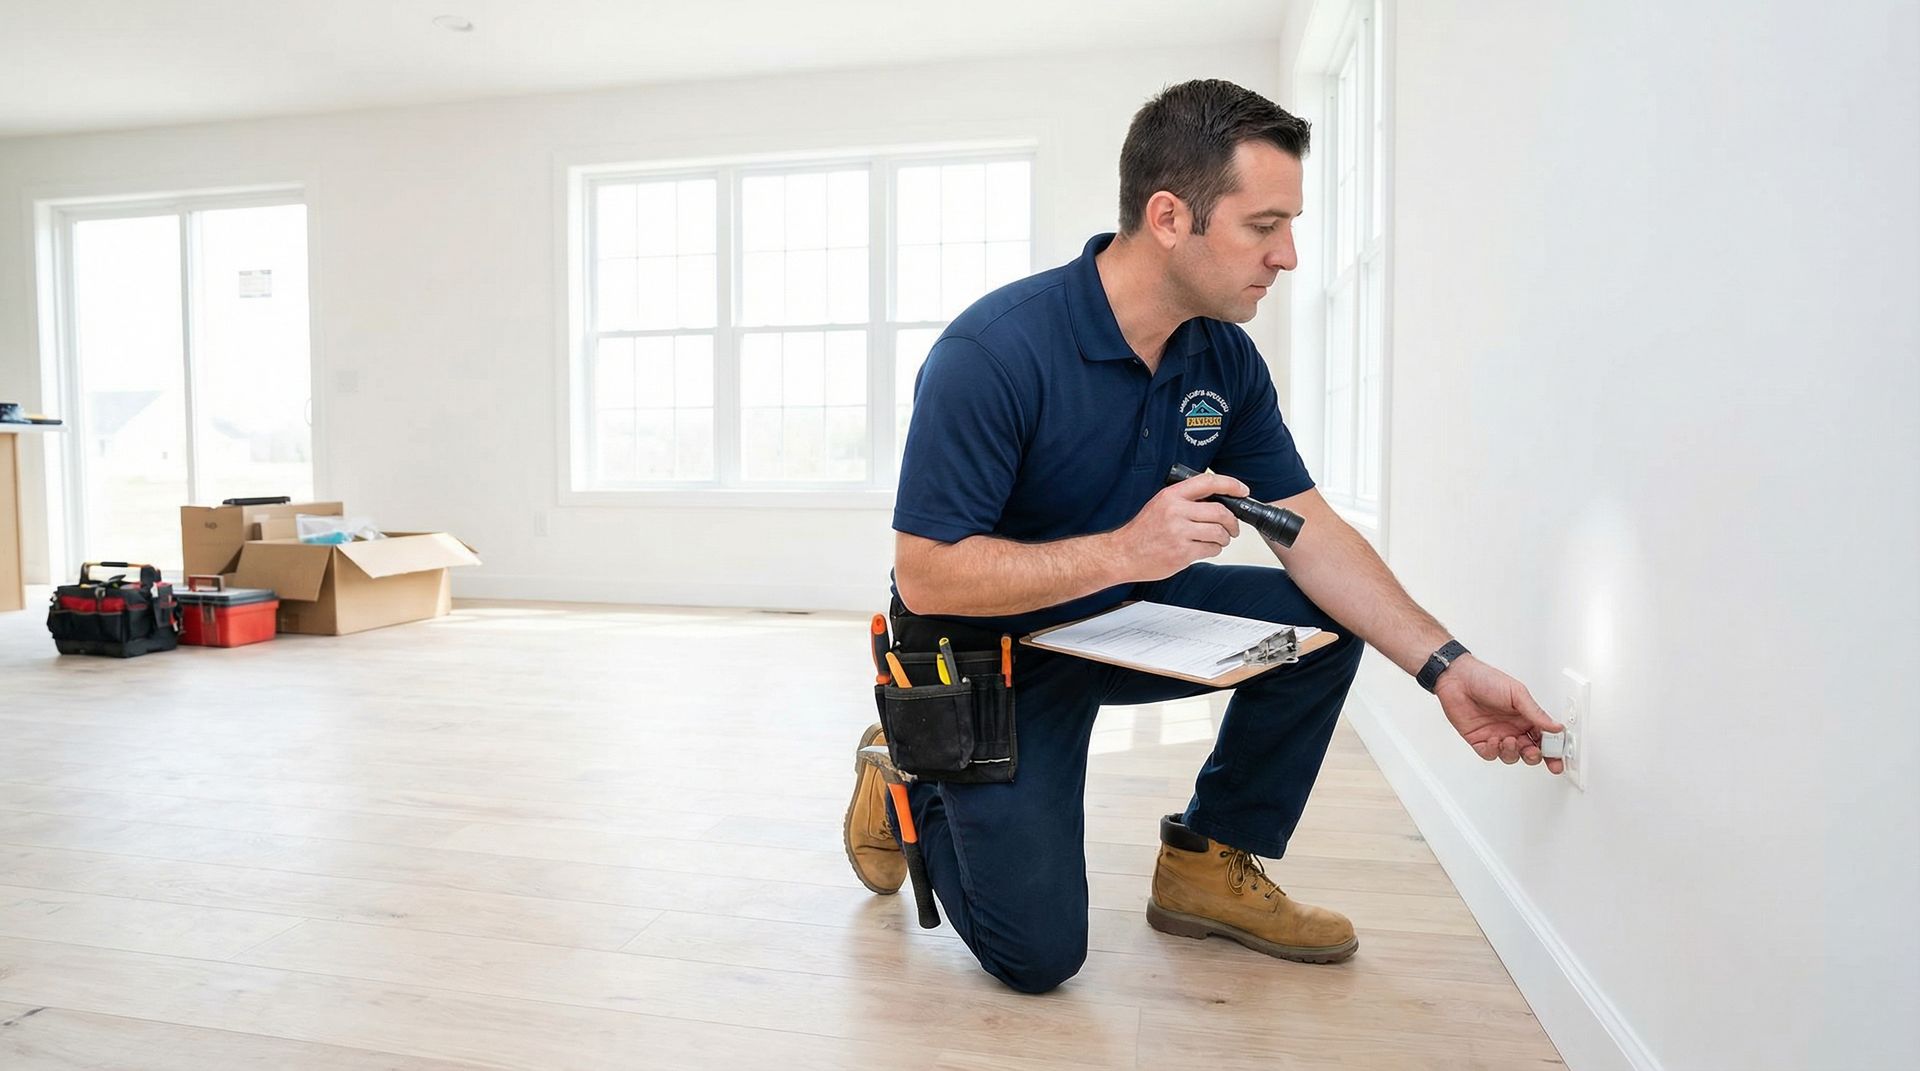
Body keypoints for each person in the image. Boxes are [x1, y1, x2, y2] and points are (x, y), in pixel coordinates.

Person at [843, 78, 1563, 995]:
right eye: (1264, 227)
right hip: (984, 655)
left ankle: (1205, 859)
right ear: (1170, 215)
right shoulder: (994, 353)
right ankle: (906, 763)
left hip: (1117, 619)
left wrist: (1446, 665)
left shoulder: (1220, 353)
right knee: (1037, 957)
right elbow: (928, 575)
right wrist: (1124, 552)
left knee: (1320, 621)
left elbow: (1310, 531)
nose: (1289, 256)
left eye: (1289, 226)